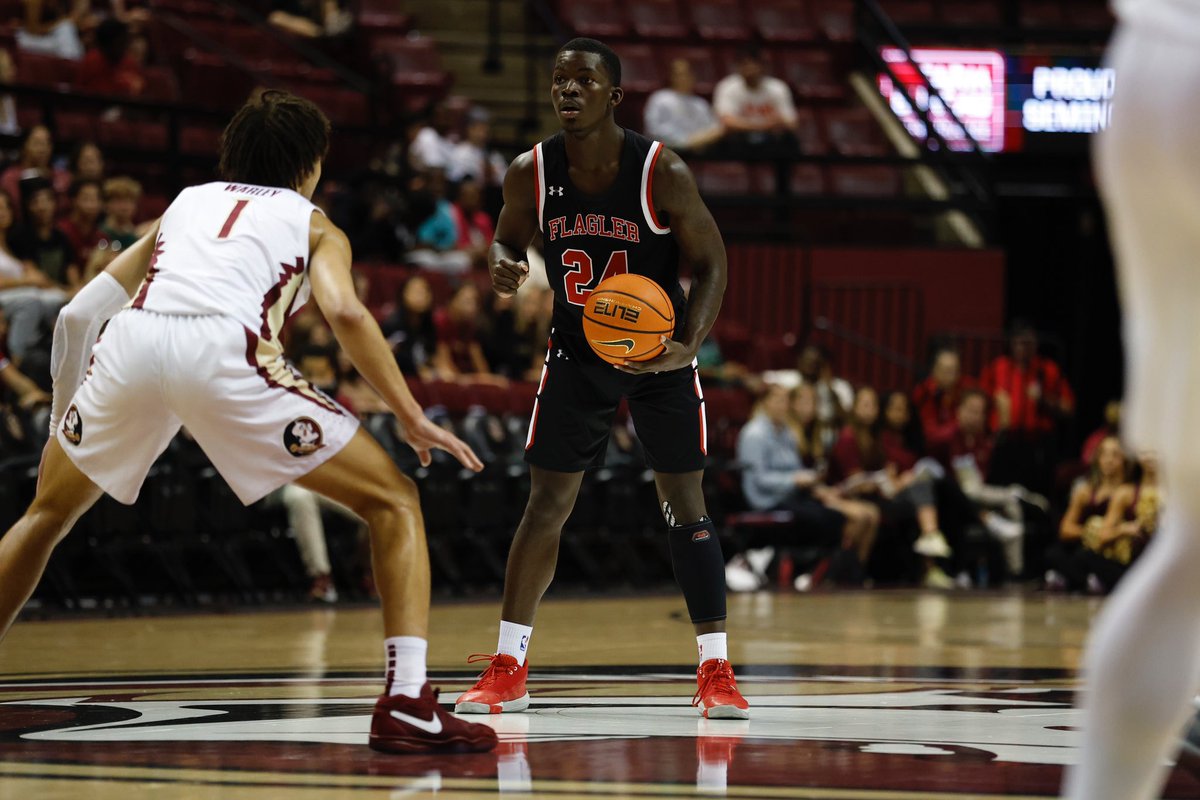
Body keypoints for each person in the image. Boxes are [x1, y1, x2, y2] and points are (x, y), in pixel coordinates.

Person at [0, 90, 496, 755]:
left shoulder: (184, 202)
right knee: (395, 502)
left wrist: (65, 424)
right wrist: (410, 416)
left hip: (134, 343)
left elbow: (75, 318)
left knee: (44, 517)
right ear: (312, 163)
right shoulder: (317, 224)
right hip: (223, 351)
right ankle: (406, 699)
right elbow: (346, 313)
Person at [454, 38, 749, 720]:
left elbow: (713, 263)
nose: (569, 90)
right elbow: (507, 236)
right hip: (577, 350)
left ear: (613, 95)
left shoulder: (661, 170)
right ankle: (509, 666)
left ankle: (715, 668)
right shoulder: (530, 171)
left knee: (686, 509)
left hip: (657, 358)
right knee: (546, 504)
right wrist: (502, 260)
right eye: (561, 80)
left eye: (584, 80)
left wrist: (688, 344)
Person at [980, 321, 1074, 494]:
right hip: (1004, 441)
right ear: (1012, 344)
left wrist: (1044, 399)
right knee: (1002, 488)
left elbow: (1068, 408)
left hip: (1037, 444)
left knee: (1037, 491)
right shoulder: (998, 367)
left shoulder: (1047, 369)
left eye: (1029, 343)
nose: (1024, 348)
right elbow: (980, 399)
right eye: (1020, 343)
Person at [1048, 435, 1127, 592]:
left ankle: (1076, 579)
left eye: (1115, 455)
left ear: (1125, 459)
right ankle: (1090, 579)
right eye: (1104, 454)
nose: (1109, 460)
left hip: (1112, 551)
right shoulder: (1085, 491)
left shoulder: (1127, 491)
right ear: (1097, 458)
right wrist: (1089, 531)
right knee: (1054, 554)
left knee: (1085, 558)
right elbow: (1065, 529)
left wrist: (1111, 532)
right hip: (1087, 545)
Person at [0, 189, 64, 361]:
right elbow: (29, 279)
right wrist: (26, 280)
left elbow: (40, 278)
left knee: (58, 300)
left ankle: (57, 354)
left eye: (6, 208)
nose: (3, 213)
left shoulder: (14, 246)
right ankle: (17, 357)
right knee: (31, 301)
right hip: (7, 299)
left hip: (19, 294)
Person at [712, 44, 798, 149]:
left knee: (790, 141)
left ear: (762, 66)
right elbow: (727, 122)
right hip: (741, 139)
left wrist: (775, 124)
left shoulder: (778, 88)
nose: (749, 69)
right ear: (738, 67)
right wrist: (764, 126)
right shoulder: (727, 87)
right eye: (744, 64)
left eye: (753, 64)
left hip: (770, 139)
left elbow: (792, 123)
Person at [12, 177, 78, 292]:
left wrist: (76, 289)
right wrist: (66, 291)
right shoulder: (19, 236)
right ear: (27, 206)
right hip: (38, 294)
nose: (42, 207)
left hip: (65, 293)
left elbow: (72, 271)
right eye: (35, 202)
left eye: (47, 200)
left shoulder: (61, 236)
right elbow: (35, 277)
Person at [644, 58, 724, 153]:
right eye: (679, 74)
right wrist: (685, 141)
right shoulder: (659, 98)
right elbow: (653, 129)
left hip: (699, 150)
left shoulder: (700, 103)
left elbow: (712, 128)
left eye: (687, 74)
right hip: (668, 151)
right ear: (671, 76)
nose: (683, 78)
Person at [0, 126, 71, 206]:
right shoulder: (10, 177)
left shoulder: (62, 176)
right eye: (37, 143)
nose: (43, 149)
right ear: (24, 146)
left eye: (47, 143)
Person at [74, 17, 144, 97]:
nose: (125, 46)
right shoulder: (91, 62)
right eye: (120, 42)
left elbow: (139, 90)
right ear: (106, 44)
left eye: (126, 41)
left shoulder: (129, 63)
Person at [16, 0, 87, 60]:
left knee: (67, 30)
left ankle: (73, 63)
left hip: (52, 38)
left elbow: (78, 17)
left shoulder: (61, 3)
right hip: (30, 39)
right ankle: (72, 64)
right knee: (65, 28)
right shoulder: (34, 2)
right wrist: (60, 24)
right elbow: (33, 31)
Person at [56, 178, 105, 266]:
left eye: (96, 199)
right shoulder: (60, 231)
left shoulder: (102, 237)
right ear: (73, 200)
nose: (93, 204)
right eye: (87, 198)